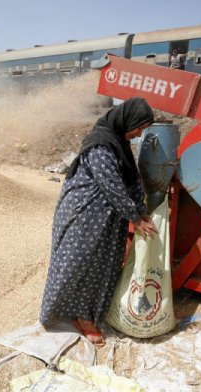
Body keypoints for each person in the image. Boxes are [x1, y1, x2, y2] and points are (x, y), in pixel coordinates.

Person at [39, 97, 158, 346]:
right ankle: (72, 315)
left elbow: (132, 181)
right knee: (77, 264)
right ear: (127, 121)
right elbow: (110, 184)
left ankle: (87, 314)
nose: (139, 134)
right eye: (139, 127)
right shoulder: (100, 144)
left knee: (103, 266)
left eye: (144, 130)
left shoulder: (120, 145)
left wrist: (140, 210)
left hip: (108, 217)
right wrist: (135, 218)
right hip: (84, 216)